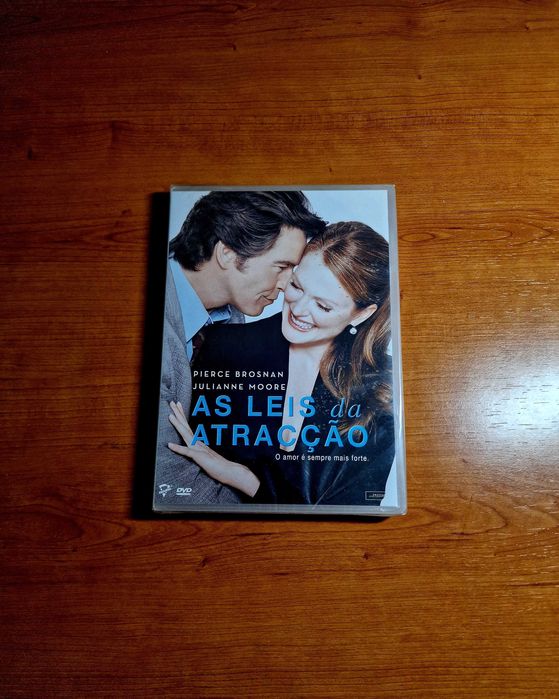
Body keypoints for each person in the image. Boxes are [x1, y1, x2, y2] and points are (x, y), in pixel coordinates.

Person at [168, 221, 394, 507]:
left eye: (323, 306)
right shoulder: (225, 347)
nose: (298, 310)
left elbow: (350, 512)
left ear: (362, 314)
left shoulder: (383, 387)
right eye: (297, 286)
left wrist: (245, 479)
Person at [155, 190, 325, 507]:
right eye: (281, 266)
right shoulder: (150, 325)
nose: (287, 285)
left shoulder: (231, 319)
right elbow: (168, 480)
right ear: (228, 254)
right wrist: (268, 501)